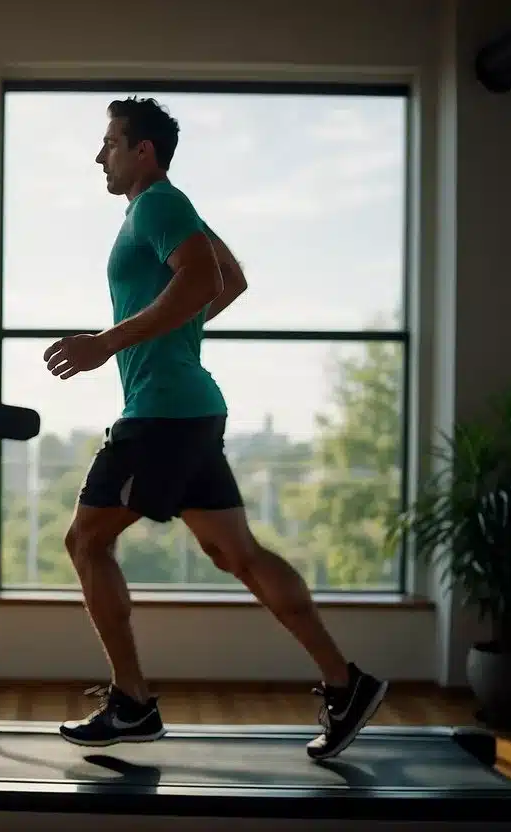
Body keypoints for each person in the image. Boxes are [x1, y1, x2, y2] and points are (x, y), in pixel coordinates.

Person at [42, 96, 388, 761]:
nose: (99, 156)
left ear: (142, 150)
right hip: (189, 409)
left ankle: (132, 702)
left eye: (110, 143)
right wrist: (168, 329)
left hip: (161, 414)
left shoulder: (156, 205)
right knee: (237, 554)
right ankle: (346, 684)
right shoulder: (169, 208)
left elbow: (205, 281)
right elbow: (228, 281)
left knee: (86, 540)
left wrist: (107, 343)